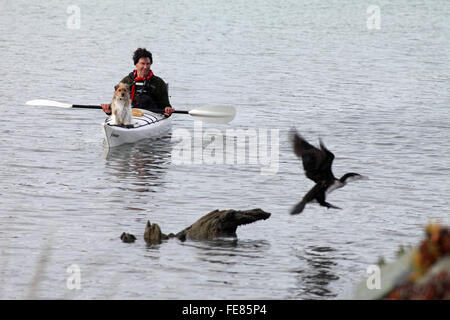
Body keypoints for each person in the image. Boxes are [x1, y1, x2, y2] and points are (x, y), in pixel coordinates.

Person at [101, 48, 175, 117]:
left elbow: (166, 106)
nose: (146, 67)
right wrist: (108, 111)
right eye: (142, 63)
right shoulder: (126, 81)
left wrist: (167, 110)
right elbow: (116, 103)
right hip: (128, 113)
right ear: (136, 64)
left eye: (148, 64)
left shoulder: (159, 83)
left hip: (151, 115)